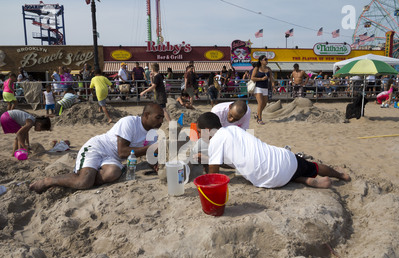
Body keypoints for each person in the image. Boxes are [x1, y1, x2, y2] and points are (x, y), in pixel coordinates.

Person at [29, 104, 165, 194]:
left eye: (162, 118)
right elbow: (122, 151)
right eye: (158, 117)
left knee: (113, 173)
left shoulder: (152, 135)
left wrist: (156, 165)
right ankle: (48, 181)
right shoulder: (129, 122)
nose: (161, 121)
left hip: (112, 158)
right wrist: (152, 148)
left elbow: (149, 154)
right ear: (146, 115)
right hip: (97, 147)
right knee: (84, 182)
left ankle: (84, 176)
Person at [196, 112, 351, 189]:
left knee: (283, 171)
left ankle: (307, 180)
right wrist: (208, 160)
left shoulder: (215, 142)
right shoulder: (234, 130)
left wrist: (206, 163)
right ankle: (340, 175)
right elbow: (232, 164)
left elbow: (213, 175)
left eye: (199, 131)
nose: (199, 135)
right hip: (283, 161)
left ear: (208, 130)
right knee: (308, 165)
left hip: (269, 181)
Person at [251, 55, 274, 125]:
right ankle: (259, 119)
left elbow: (271, 78)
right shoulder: (257, 68)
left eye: (267, 59)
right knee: (260, 103)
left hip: (265, 88)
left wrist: (273, 86)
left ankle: (257, 114)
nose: (267, 61)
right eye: (265, 59)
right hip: (258, 88)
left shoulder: (269, 69)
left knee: (264, 104)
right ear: (261, 61)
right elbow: (252, 78)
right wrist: (261, 79)